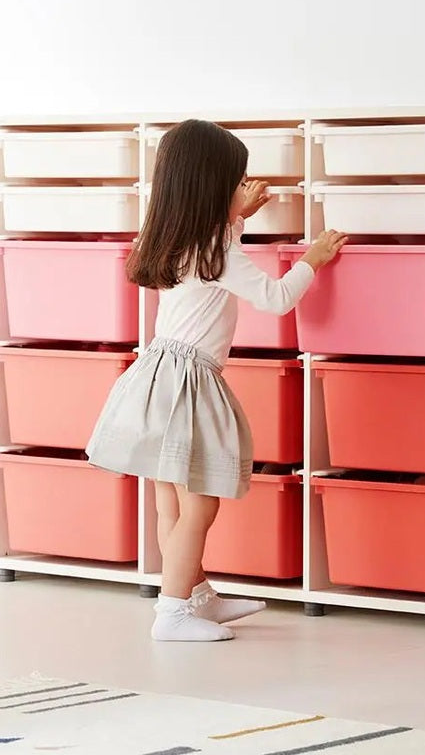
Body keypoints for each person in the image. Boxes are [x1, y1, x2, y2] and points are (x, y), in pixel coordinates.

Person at [87, 119, 346, 642]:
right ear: (211, 189)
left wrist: (239, 217)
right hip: (190, 383)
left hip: (157, 374)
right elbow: (274, 298)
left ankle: (195, 595)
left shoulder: (175, 238)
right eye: (236, 182)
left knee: (170, 502)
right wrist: (313, 260)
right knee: (201, 502)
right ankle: (174, 613)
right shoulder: (217, 251)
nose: (241, 189)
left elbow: (219, 251)